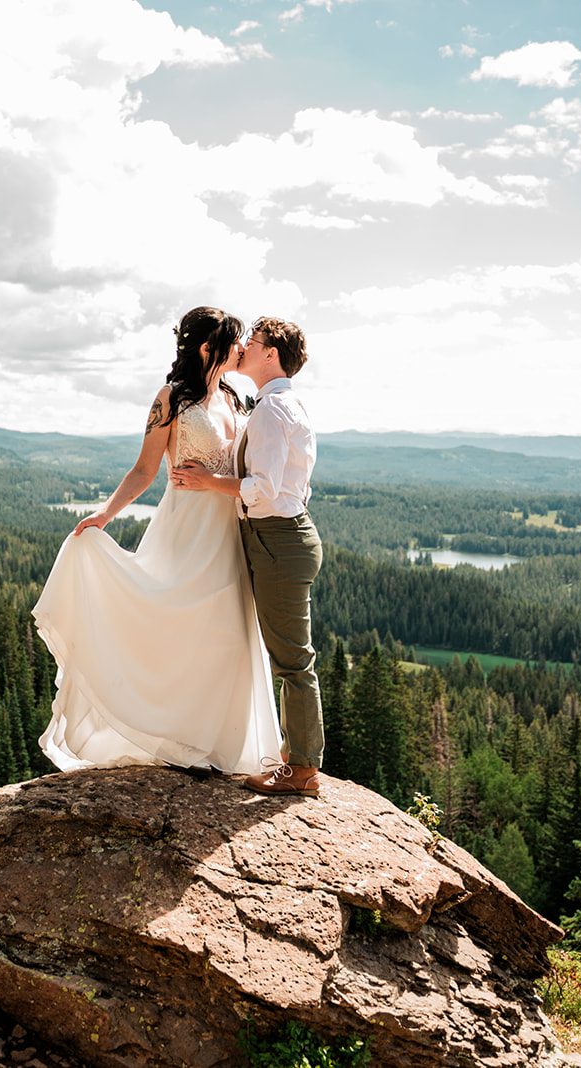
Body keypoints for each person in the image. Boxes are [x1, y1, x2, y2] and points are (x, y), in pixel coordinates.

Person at [32, 307, 282, 775]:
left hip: (229, 530)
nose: (241, 348)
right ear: (208, 348)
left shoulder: (233, 397)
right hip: (186, 529)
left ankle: (216, 746)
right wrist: (106, 514)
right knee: (179, 631)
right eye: (233, 341)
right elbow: (146, 469)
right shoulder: (171, 400)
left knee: (227, 636)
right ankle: (177, 742)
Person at [170, 316, 323, 797]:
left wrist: (208, 482)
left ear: (270, 354)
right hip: (275, 537)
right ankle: (295, 757)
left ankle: (301, 769)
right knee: (287, 653)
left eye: (253, 342)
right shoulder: (275, 404)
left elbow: (265, 488)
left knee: (293, 660)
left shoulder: (274, 410)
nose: (244, 347)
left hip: (278, 539)